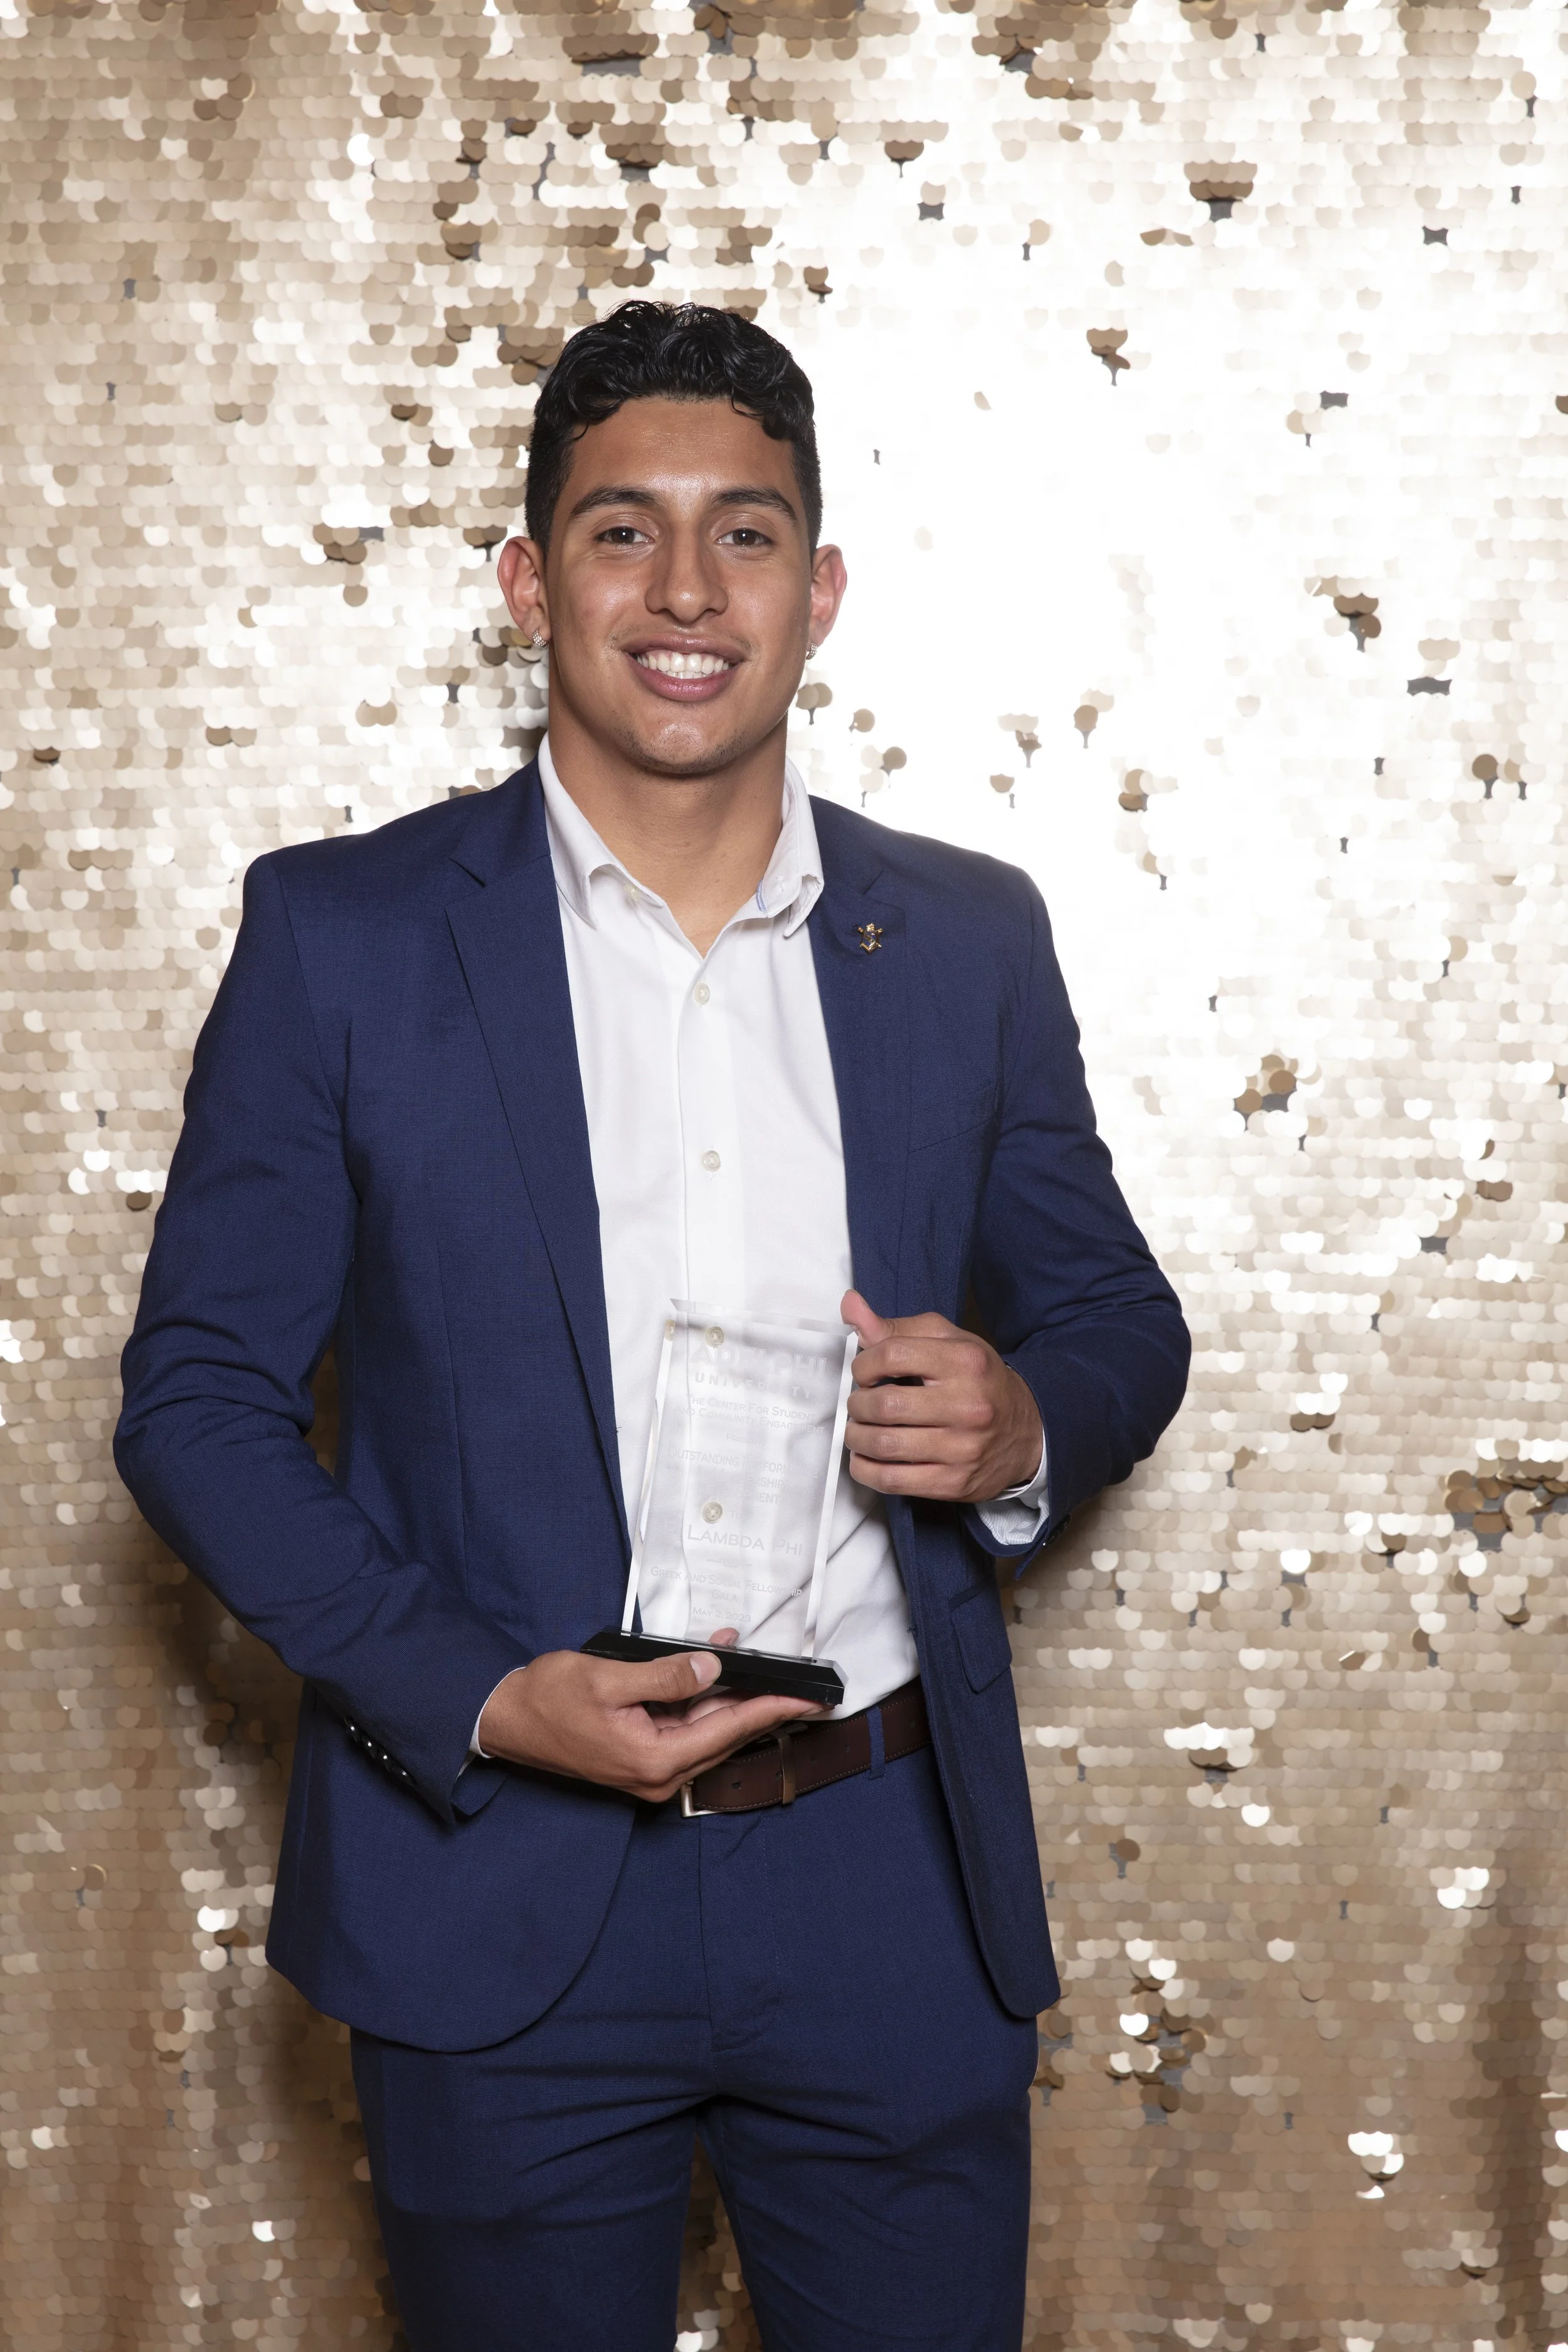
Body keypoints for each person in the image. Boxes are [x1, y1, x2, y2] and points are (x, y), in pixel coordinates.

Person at [115, 302, 1189, 2352]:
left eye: (747, 534)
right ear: (530, 579)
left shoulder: (965, 939)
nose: (686, 592)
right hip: (495, 1876)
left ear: (821, 587)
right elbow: (197, 1402)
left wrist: (1024, 1417)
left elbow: (1112, 1312)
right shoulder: (343, 940)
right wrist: (480, 1694)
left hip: (883, 1880)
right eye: (622, 532)